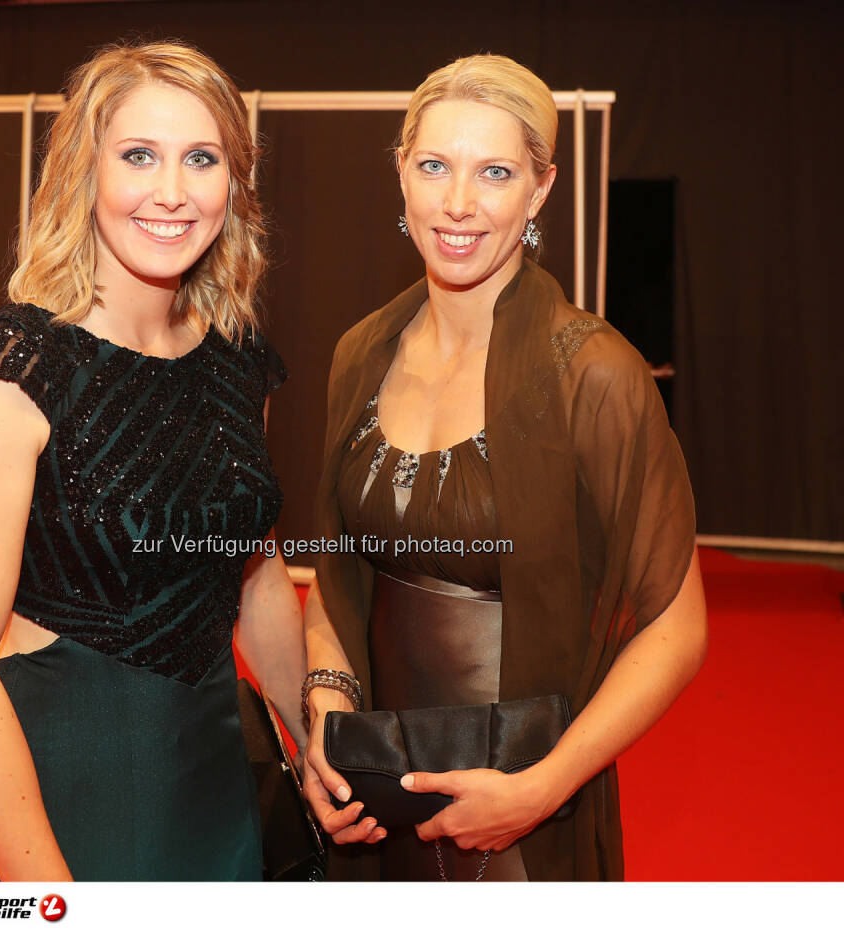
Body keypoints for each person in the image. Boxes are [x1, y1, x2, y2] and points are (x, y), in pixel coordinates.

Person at [300, 54, 707, 881]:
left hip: (525, 820)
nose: (458, 204)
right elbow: (338, 578)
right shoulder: (359, 354)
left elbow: (677, 624)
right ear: (401, 174)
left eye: (494, 172)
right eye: (434, 166)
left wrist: (542, 786)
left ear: (540, 190)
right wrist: (328, 704)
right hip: (375, 806)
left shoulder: (594, 374)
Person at [0, 40, 307, 882]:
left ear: (233, 185)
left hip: (213, 783)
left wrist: (308, 741)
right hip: (60, 797)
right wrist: (49, 893)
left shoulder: (238, 363)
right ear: (82, 173)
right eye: (138, 156)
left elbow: (255, 568)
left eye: (201, 159)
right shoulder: (7, 372)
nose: (172, 192)